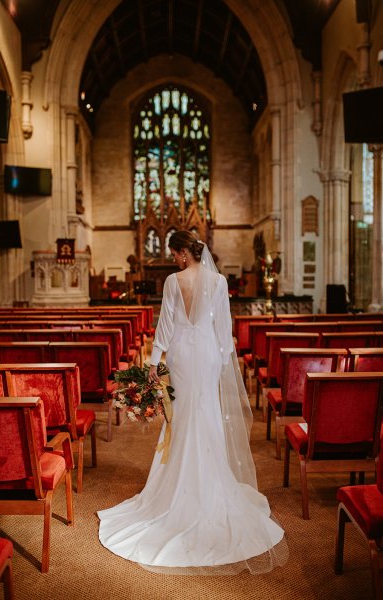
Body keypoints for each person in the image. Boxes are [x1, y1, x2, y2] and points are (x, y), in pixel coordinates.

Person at [98, 230, 288, 575]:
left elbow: (165, 325)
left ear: (185, 253)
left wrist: (155, 362)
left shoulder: (173, 281)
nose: (173, 259)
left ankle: (178, 485)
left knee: (182, 415)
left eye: (175, 253)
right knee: (205, 412)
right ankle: (209, 480)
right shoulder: (217, 282)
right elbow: (224, 328)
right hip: (208, 355)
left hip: (183, 354)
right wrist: (222, 359)